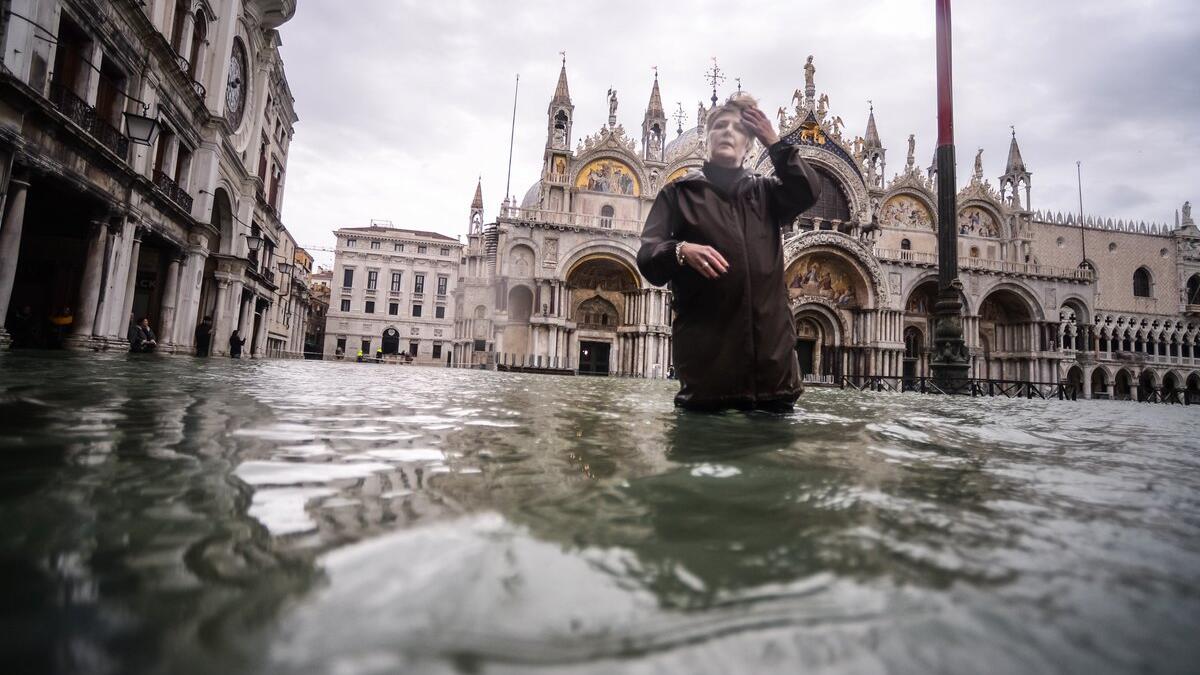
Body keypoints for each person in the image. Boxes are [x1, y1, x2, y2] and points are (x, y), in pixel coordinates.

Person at [638, 93, 821, 412]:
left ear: (749, 145)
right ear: (706, 138)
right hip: (709, 381)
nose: (727, 132)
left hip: (775, 379)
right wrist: (680, 250)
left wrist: (774, 142)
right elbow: (648, 258)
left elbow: (808, 191)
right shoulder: (678, 194)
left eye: (738, 129)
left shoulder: (767, 193)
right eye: (720, 126)